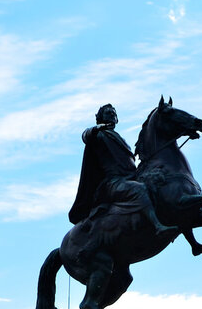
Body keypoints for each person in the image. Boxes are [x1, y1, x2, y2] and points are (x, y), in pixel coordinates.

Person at [68, 104, 180, 242]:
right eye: (108, 112)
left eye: (113, 113)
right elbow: (86, 135)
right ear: (100, 118)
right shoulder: (99, 135)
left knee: (157, 185)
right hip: (113, 183)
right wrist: (97, 129)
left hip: (129, 178)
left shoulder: (121, 139)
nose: (112, 115)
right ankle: (157, 226)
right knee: (139, 189)